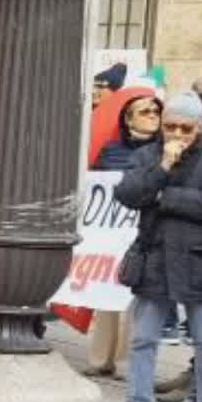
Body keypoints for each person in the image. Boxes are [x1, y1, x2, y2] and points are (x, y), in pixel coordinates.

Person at [113, 92, 202, 402]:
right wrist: (161, 168)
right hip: (156, 257)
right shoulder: (147, 155)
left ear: (199, 128)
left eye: (185, 128)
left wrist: (166, 197)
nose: (177, 133)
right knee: (144, 338)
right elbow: (128, 194)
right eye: (170, 126)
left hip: (200, 260)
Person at [82, 88, 162, 379]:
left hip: (145, 233)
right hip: (110, 234)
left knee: (135, 299)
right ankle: (100, 358)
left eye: (156, 111)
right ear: (128, 120)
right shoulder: (111, 151)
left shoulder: (165, 152)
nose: (152, 116)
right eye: (145, 111)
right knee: (106, 295)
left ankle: (127, 361)